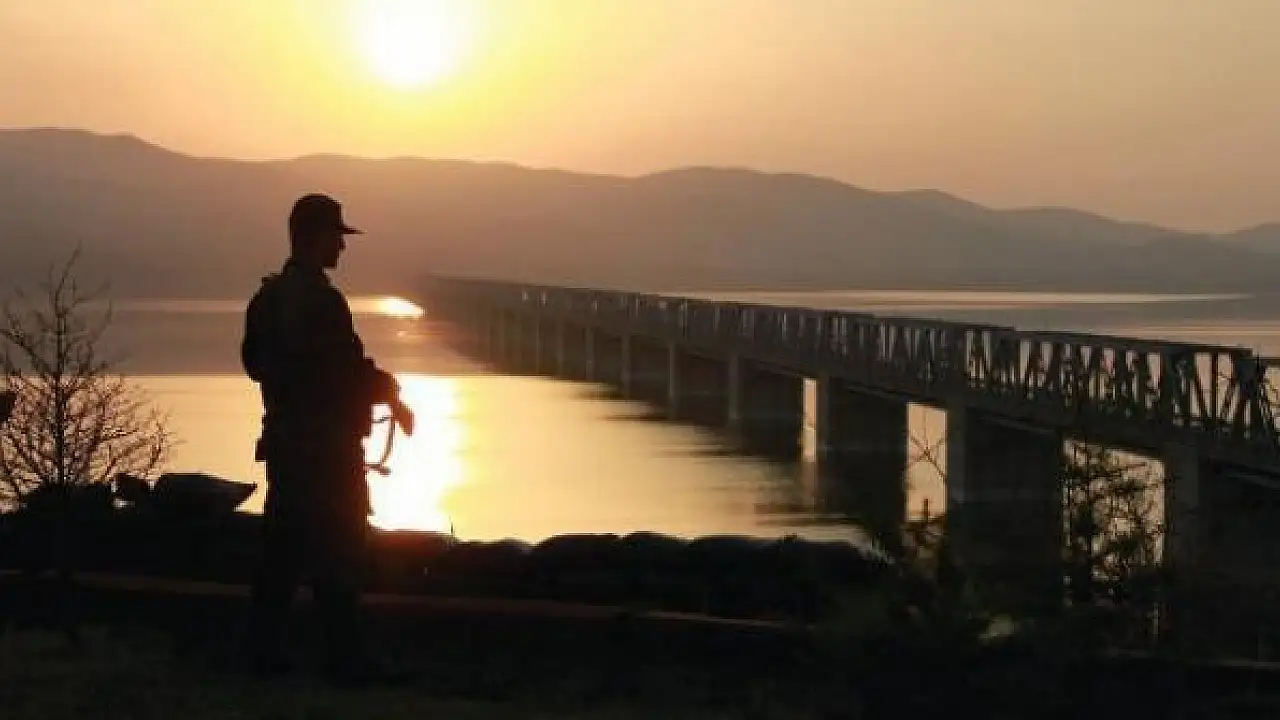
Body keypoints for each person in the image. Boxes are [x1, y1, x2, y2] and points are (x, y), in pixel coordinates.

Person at [240, 193, 415, 683]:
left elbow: (254, 365)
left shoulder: (267, 299)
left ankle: (263, 656)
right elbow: (348, 369)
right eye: (337, 236)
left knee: (282, 555)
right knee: (339, 553)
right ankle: (346, 661)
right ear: (315, 237)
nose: (342, 245)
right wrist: (391, 394)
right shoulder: (323, 301)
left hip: (286, 445)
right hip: (328, 449)